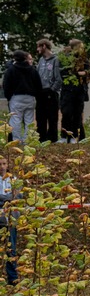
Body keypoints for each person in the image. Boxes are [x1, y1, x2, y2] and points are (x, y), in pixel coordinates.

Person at [3, 50, 41, 145]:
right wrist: (35, 95)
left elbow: (6, 85)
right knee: (29, 120)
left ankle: (17, 140)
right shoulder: (32, 69)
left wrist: (9, 97)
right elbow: (38, 84)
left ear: (15, 58)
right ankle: (27, 140)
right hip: (30, 97)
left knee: (16, 119)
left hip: (16, 97)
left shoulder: (11, 70)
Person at [59, 39, 90, 142]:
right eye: (80, 46)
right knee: (66, 113)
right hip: (68, 90)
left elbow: (88, 72)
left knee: (77, 114)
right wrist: (78, 73)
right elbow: (64, 73)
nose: (82, 49)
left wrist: (83, 73)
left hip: (80, 90)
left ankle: (74, 136)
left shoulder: (84, 59)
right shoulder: (66, 59)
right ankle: (64, 135)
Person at [35, 39, 62, 143]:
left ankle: (52, 139)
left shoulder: (55, 59)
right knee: (40, 118)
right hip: (41, 93)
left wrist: (52, 90)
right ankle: (42, 139)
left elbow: (58, 79)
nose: (37, 49)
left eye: (38, 47)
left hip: (51, 93)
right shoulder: (41, 60)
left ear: (44, 46)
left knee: (52, 117)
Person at [0, 156, 18, 284]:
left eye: (4, 163)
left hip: (10, 219)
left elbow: (17, 195)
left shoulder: (14, 179)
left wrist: (5, 198)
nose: (2, 166)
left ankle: (12, 278)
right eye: (0, 164)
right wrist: (8, 197)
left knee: (11, 248)